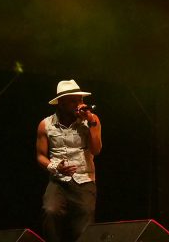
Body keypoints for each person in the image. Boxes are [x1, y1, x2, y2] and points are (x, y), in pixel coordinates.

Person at [36, 79, 102, 242]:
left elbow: (96, 150)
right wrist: (56, 167)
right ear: (61, 103)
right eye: (73, 100)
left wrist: (91, 121)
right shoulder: (45, 125)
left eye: (80, 99)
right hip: (59, 181)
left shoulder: (91, 121)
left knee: (84, 226)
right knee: (50, 211)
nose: (79, 104)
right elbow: (40, 156)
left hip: (84, 180)